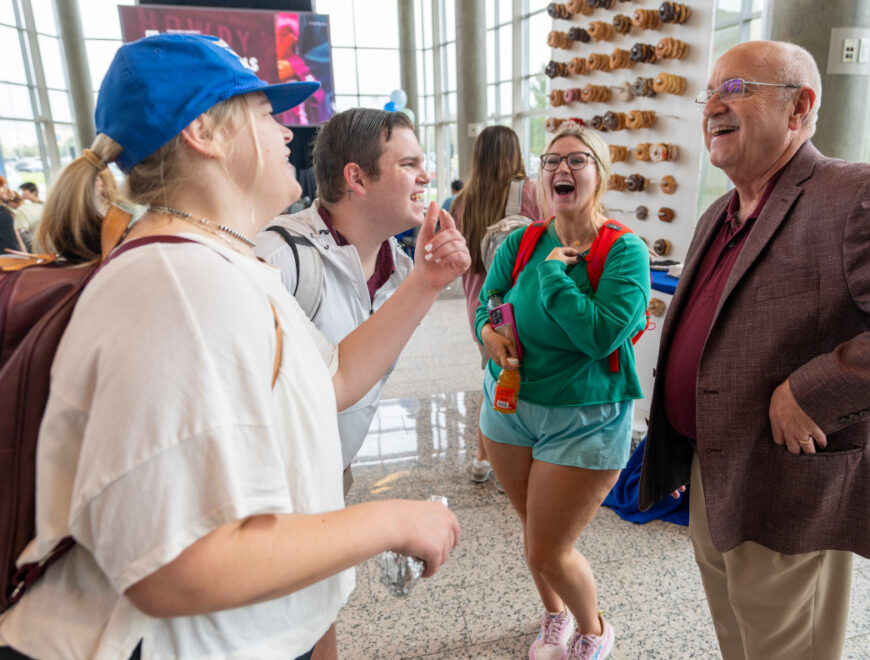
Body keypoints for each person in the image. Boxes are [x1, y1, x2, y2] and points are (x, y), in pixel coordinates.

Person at [0, 34, 466, 659]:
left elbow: (330, 380)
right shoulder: (178, 285)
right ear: (204, 132)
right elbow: (174, 566)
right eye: (267, 116)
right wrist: (392, 521)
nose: (287, 136)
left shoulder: (219, 261)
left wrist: (424, 284)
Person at [637, 40, 870, 660]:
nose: (713, 108)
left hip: (787, 492)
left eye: (736, 90)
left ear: (799, 108)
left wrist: (819, 390)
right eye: (710, 94)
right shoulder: (717, 216)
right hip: (712, 477)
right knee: (739, 642)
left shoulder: (849, 197)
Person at [476, 122, 649, 660]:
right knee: (536, 534)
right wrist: (487, 332)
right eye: (551, 161)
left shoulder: (624, 252)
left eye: (576, 160)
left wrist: (554, 277)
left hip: (584, 418)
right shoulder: (523, 240)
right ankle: (554, 616)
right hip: (508, 407)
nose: (561, 170)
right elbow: (489, 301)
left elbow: (600, 336)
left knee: (550, 548)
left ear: (600, 174)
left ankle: (593, 629)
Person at [255, 108, 426, 492]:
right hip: (275, 487)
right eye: (409, 164)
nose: (425, 177)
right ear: (357, 178)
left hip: (333, 470)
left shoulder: (400, 268)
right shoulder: (279, 258)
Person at [453, 125, 542, 482]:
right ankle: (516, 465)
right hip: (520, 306)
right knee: (523, 382)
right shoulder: (531, 192)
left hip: (480, 307)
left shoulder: (462, 201)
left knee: (494, 379)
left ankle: (481, 458)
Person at [0, 176, 26, 254]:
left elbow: (16, 233)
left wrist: (24, 252)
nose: (3, 189)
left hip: (14, 253)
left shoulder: (6, 210)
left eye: (2, 186)